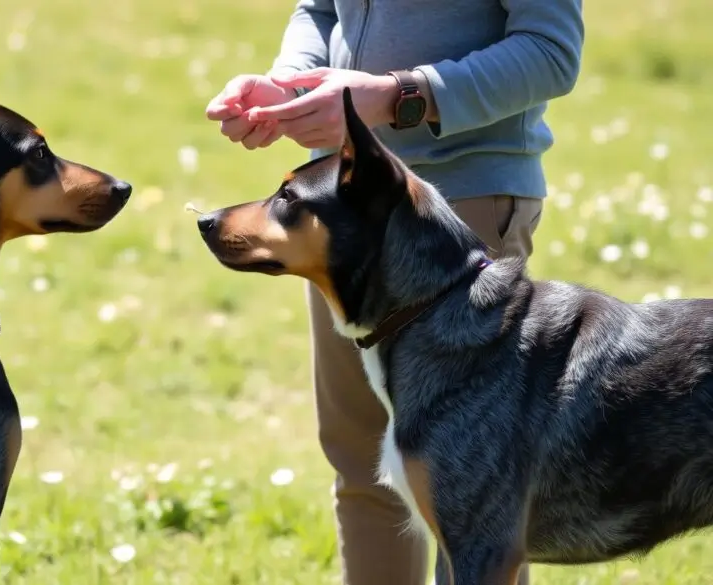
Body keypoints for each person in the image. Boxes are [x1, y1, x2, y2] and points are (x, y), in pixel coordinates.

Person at [205, 1, 585, 584]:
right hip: (339, 211)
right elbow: (319, 9)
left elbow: (551, 50)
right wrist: (291, 84)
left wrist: (398, 96)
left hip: (458, 206)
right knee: (363, 460)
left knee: (475, 490)